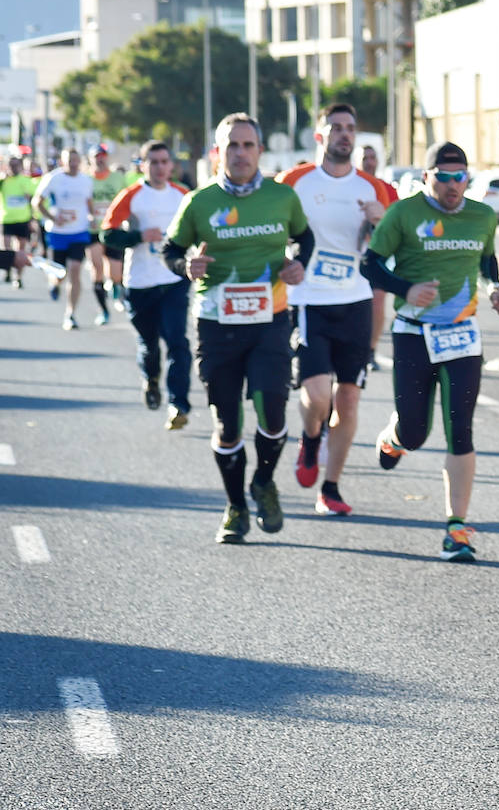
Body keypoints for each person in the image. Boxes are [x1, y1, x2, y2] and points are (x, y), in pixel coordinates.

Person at [162, 112, 315, 544]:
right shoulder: (199, 202)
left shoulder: (281, 198)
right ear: (218, 152)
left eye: (248, 145)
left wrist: (297, 263)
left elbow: (305, 237)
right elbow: (170, 249)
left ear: (260, 151)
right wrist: (183, 264)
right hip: (216, 324)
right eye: (232, 145)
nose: (241, 153)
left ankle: (263, 481)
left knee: (272, 415)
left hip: (269, 321)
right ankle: (234, 507)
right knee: (227, 424)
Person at [362, 141, 499, 562]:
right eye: (443, 177)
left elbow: (486, 260)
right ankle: (394, 439)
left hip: (462, 334)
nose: (452, 185)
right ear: (426, 177)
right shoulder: (403, 214)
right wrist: (406, 289)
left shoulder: (482, 215)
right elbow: (370, 265)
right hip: (413, 333)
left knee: (460, 427)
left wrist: (496, 290)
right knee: (415, 430)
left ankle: (456, 528)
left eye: (459, 176)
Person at [277, 103, 394, 516]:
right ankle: (310, 441)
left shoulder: (373, 188)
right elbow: (273, 229)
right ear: (320, 136)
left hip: (356, 302)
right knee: (318, 395)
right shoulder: (294, 182)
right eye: (336, 128)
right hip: (310, 301)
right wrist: (284, 262)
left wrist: (380, 223)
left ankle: (330, 488)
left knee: (348, 400)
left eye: (350, 128)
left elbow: (396, 243)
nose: (345, 134)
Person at [98, 140, 193, 429]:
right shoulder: (132, 195)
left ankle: (179, 404)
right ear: (143, 165)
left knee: (178, 343)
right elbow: (107, 235)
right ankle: (151, 379)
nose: (160, 167)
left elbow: (201, 230)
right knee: (150, 346)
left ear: (172, 165)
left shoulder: (183, 195)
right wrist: (139, 237)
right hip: (140, 283)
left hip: (173, 279)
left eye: (165, 162)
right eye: (154, 162)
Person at [33, 147, 94, 330]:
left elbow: (89, 203)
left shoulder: (86, 180)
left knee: (75, 270)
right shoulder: (53, 178)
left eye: (76, 160)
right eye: (70, 161)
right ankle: (53, 283)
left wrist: (91, 218)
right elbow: (36, 202)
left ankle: (70, 314)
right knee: (60, 274)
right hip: (58, 233)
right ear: (62, 161)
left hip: (79, 232)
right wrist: (52, 218)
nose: (73, 164)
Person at [360, 142, 400, 373]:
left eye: (373, 157)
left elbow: (397, 225)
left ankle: (371, 350)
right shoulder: (348, 186)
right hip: (350, 257)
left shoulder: (387, 189)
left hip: (377, 257)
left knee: (377, 301)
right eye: (365, 157)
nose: (369, 162)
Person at [88, 144, 128, 321]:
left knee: (115, 272)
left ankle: (116, 285)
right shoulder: (85, 180)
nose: (100, 159)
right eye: (96, 156)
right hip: (93, 230)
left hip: (113, 229)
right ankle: (103, 310)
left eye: (102, 155)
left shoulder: (118, 178)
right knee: (96, 269)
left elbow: (127, 200)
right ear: (90, 159)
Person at [2, 155, 38, 287]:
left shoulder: (26, 180)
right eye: (11, 165)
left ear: (20, 166)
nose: (13, 167)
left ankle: (18, 277)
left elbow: (36, 197)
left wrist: (33, 217)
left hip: (23, 219)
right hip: (6, 219)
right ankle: (7, 272)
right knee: (6, 247)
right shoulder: (3, 181)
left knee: (21, 250)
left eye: (16, 165)